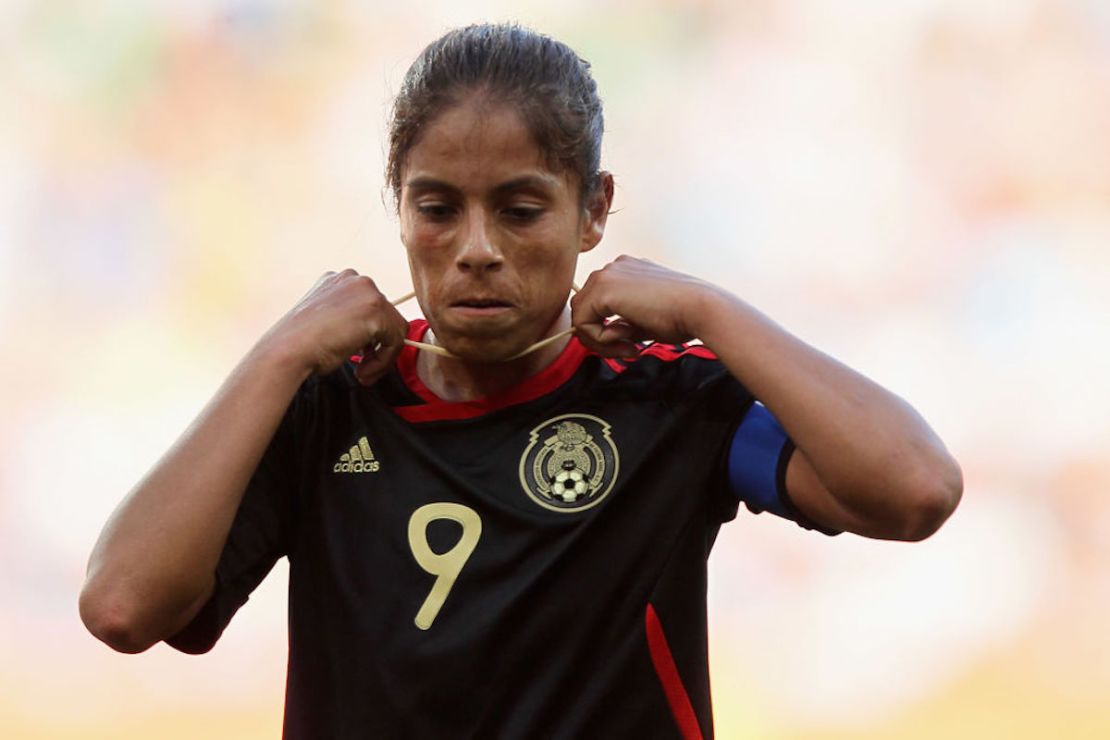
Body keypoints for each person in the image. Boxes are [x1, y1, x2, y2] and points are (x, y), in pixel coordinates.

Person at [79, 23, 962, 739]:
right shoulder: (324, 399)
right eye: (436, 208)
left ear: (595, 210)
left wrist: (709, 309)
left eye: (520, 208)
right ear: (399, 207)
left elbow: (917, 489)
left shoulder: (665, 395)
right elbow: (121, 609)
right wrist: (274, 355)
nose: (475, 248)